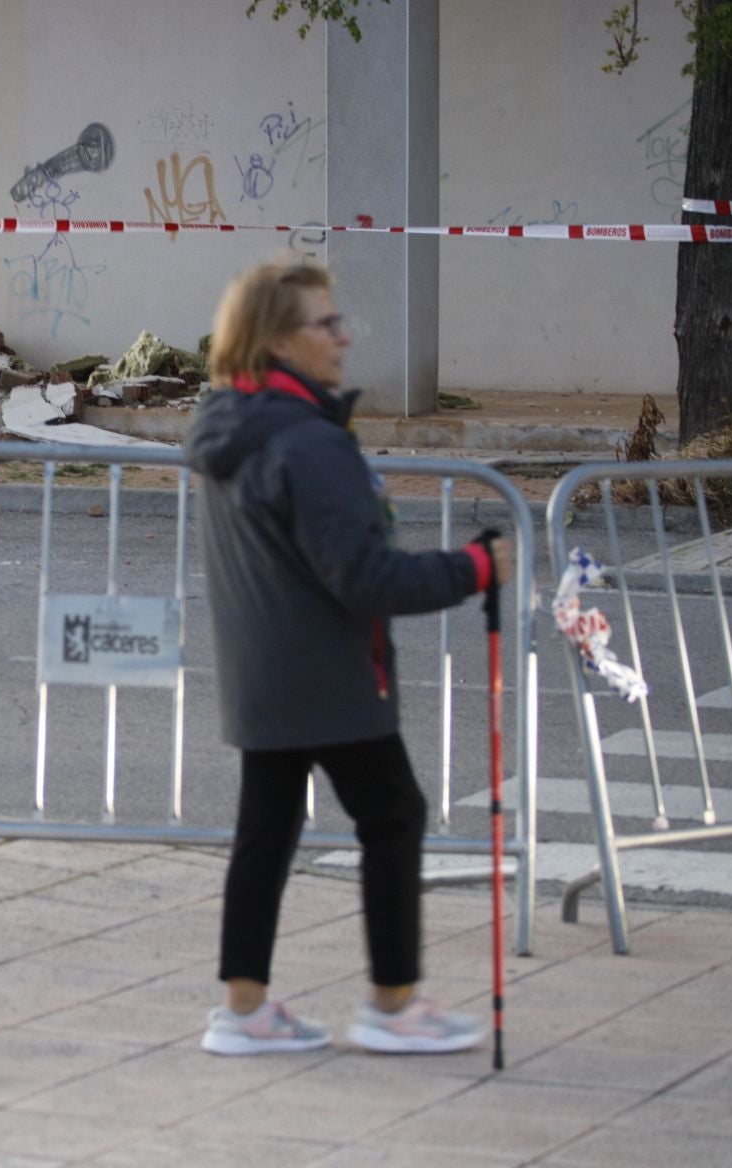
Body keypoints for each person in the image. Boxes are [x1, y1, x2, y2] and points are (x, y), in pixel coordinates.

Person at [186, 256, 511, 1056]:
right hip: (328, 677)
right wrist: (475, 567)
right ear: (278, 340)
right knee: (393, 815)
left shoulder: (237, 426)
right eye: (326, 323)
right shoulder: (307, 443)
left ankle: (245, 1009)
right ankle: (394, 1005)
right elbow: (363, 577)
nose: (344, 335)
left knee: (267, 832)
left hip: (267, 672)